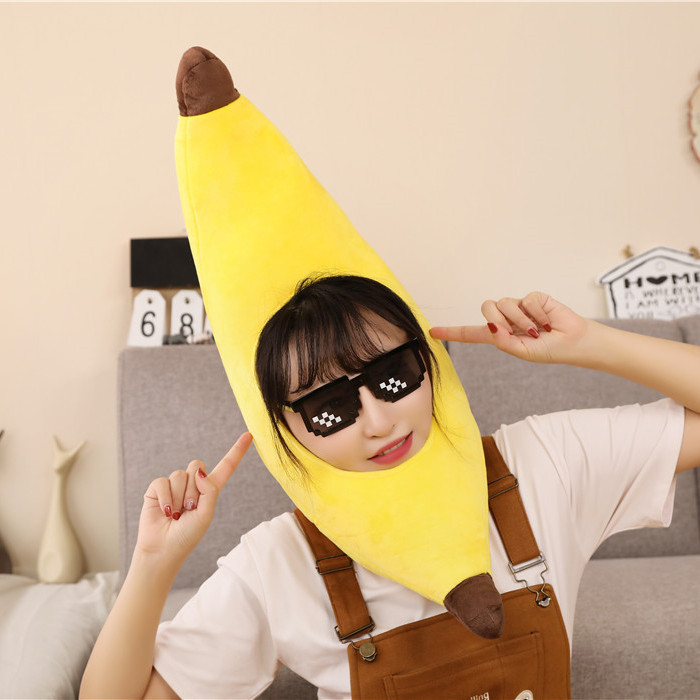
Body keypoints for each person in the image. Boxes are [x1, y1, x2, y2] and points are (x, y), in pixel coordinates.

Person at [80, 277, 700, 699]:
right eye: (329, 408)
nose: (378, 422)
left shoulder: (540, 466)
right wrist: (154, 564)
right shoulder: (279, 563)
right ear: (288, 430)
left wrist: (591, 342)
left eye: (394, 376)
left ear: (429, 363)